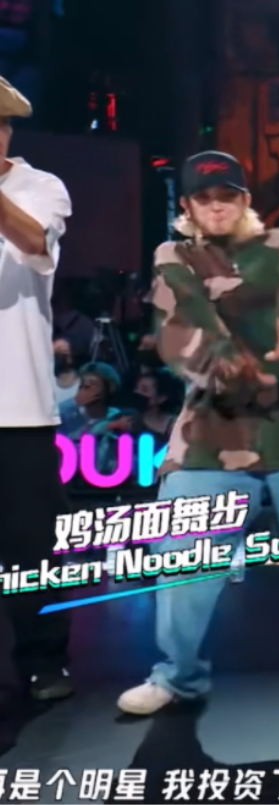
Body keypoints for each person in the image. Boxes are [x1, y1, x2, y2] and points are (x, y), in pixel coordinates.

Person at [116, 151, 279, 715]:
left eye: (227, 195)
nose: (216, 206)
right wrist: (248, 367)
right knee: (183, 559)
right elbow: (185, 338)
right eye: (204, 197)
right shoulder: (175, 256)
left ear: (244, 200)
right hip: (212, 435)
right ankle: (177, 677)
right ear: (188, 206)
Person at [0, 74, 75, 701]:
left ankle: (44, 661)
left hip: (19, 405)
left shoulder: (41, 187)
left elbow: (32, 242)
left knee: (32, 550)